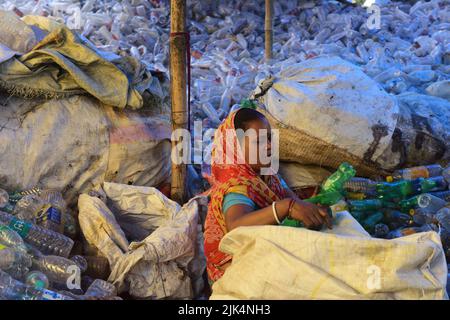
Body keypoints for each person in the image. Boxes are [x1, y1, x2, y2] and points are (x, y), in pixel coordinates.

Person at [204, 107, 332, 284]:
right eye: (259, 142)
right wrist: (286, 207)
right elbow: (236, 225)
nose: (270, 146)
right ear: (236, 148)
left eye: (270, 138)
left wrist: (311, 209)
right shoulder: (236, 186)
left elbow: (289, 197)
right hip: (234, 266)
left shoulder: (266, 173)